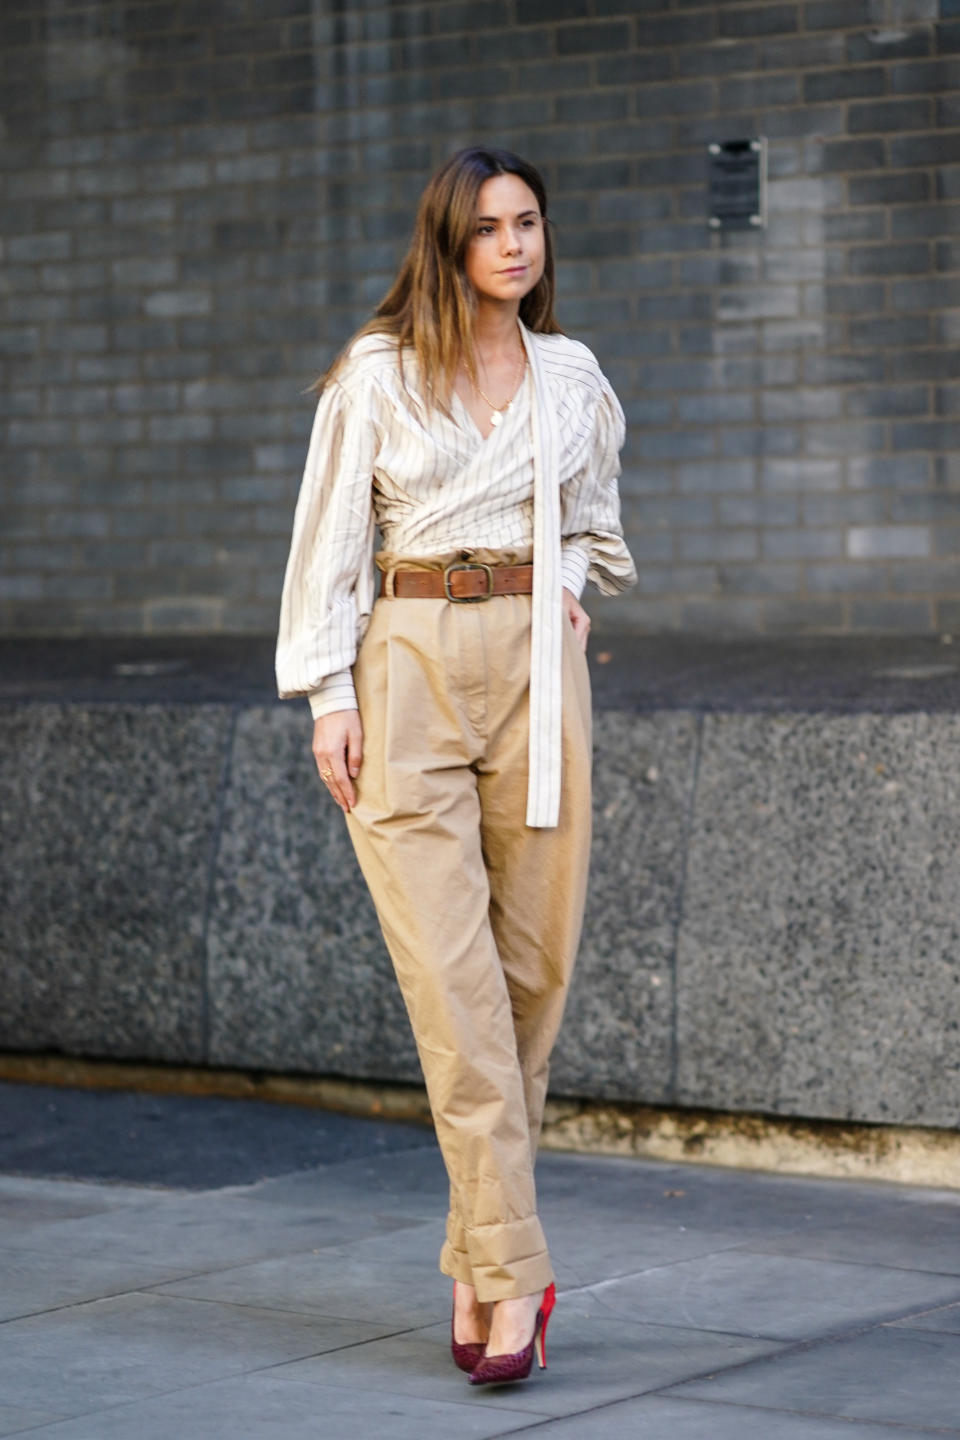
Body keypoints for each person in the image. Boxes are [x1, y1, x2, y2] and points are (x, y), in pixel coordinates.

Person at [275, 145, 636, 1386]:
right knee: (455, 986)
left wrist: (571, 590)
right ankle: (519, 1276)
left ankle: (480, 1258)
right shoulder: (376, 375)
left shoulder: (571, 375)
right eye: (488, 228)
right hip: (407, 661)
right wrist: (329, 694)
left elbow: (594, 515)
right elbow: (328, 540)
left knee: (530, 979)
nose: (514, 245)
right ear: (449, 242)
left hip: (539, 665)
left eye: (529, 222)